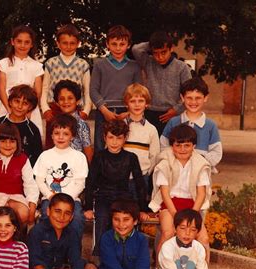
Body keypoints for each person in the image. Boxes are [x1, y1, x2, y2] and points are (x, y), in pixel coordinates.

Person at [149, 124, 212, 264]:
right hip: (170, 204)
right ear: (172, 146)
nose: (182, 149)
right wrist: (176, 215)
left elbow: (201, 193)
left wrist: (192, 216)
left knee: (203, 238)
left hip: (192, 206)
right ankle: (159, 268)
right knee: (168, 233)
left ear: (194, 146)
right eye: (178, 145)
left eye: (187, 145)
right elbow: (164, 193)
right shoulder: (165, 164)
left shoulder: (200, 164)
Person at [84, 120, 147, 256]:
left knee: (127, 220)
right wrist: (88, 207)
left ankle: (129, 255)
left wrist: (142, 208)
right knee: (103, 218)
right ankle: (99, 257)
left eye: (119, 138)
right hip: (103, 197)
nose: (114, 142)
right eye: (111, 137)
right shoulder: (99, 156)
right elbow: (90, 182)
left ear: (125, 138)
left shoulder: (131, 157)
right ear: (104, 137)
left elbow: (140, 184)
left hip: (123, 197)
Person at [27, 193, 97, 269]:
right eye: (57, 211)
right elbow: (34, 261)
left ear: (72, 217)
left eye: (67, 213)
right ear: (48, 211)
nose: (62, 217)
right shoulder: (37, 231)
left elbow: (76, 258)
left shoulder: (72, 232)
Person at [92, 198, 165, 269]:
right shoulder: (106, 238)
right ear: (111, 220)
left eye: (126, 220)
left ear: (135, 221)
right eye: (116, 219)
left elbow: (143, 265)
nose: (121, 224)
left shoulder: (141, 239)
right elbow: (112, 265)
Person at [33, 114, 88, 238]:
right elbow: (39, 180)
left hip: (72, 199)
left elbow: (80, 183)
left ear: (72, 136)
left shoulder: (79, 157)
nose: (61, 137)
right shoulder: (45, 156)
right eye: (57, 133)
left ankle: (73, 253)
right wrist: (50, 195)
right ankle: (48, 250)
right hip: (50, 199)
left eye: (66, 134)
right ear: (51, 135)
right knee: (47, 216)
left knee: (77, 219)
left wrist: (67, 198)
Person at [90, 25, 142, 151]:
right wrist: (104, 110)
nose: (118, 48)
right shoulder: (99, 65)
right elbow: (93, 90)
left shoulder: (134, 66)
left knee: (126, 145)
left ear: (128, 45)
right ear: (107, 44)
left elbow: (138, 91)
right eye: (114, 44)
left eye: (122, 44)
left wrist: (129, 111)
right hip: (104, 111)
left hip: (126, 111)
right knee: (100, 146)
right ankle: (100, 171)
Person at [132, 30, 192, 135]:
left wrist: (176, 110)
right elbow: (136, 49)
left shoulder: (182, 67)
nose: (160, 57)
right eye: (156, 53)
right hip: (150, 112)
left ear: (171, 48)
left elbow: (189, 93)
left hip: (172, 113)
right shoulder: (148, 62)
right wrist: (153, 43)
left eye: (163, 52)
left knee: (171, 146)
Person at [41, 24, 92, 148]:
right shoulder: (51, 63)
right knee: (53, 142)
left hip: (75, 109)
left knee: (75, 142)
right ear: (58, 43)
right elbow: (45, 88)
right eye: (64, 43)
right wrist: (45, 109)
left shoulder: (83, 64)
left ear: (78, 43)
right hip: (55, 109)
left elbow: (87, 91)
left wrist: (86, 111)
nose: (68, 47)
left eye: (72, 43)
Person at [0, 122, 39, 226]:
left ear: (18, 142)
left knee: (22, 213)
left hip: (17, 197)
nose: (8, 145)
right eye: (3, 141)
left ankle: (18, 238)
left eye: (12, 141)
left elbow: (30, 185)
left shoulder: (23, 159)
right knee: (0, 217)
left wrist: (32, 211)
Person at [160, 77, 222, 173]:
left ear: (205, 98)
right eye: (189, 98)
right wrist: (176, 161)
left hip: (201, 173)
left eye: (198, 98)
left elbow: (216, 152)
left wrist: (199, 162)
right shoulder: (173, 122)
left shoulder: (210, 125)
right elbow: (163, 147)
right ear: (182, 98)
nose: (193, 102)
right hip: (176, 173)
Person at [0, 25, 44, 137]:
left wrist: (30, 110)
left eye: (27, 42)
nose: (22, 45)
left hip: (29, 107)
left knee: (29, 137)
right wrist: (8, 109)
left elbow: (38, 91)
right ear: (12, 42)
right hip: (7, 106)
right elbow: (1, 89)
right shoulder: (4, 63)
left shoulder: (36, 66)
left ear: (31, 44)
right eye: (19, 41)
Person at [0, 84, 43, 166]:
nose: (20, 106)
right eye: (17, 101)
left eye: (25, 103)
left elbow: (36, 159)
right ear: (10, 102)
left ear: (30, 107)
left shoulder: (33, 130)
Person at [122, 83, 160, 195]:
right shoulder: (120, 126)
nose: (137, 105)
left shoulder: (151, 129)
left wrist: (146, 172)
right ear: (126, 104)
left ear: (146, 104)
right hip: (119, 176)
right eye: (133, 101)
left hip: (141, 177)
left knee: (138, 209)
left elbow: (155, 155)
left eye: (141, 101)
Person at [47, 79, 93, 163]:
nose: (66, 102)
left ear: (78, 101)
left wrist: (88, 171)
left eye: (70, 98)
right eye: (61, 99)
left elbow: (88, 150)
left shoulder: (81, 124)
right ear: (57, 102)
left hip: (76, 165)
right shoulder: (55, 122)